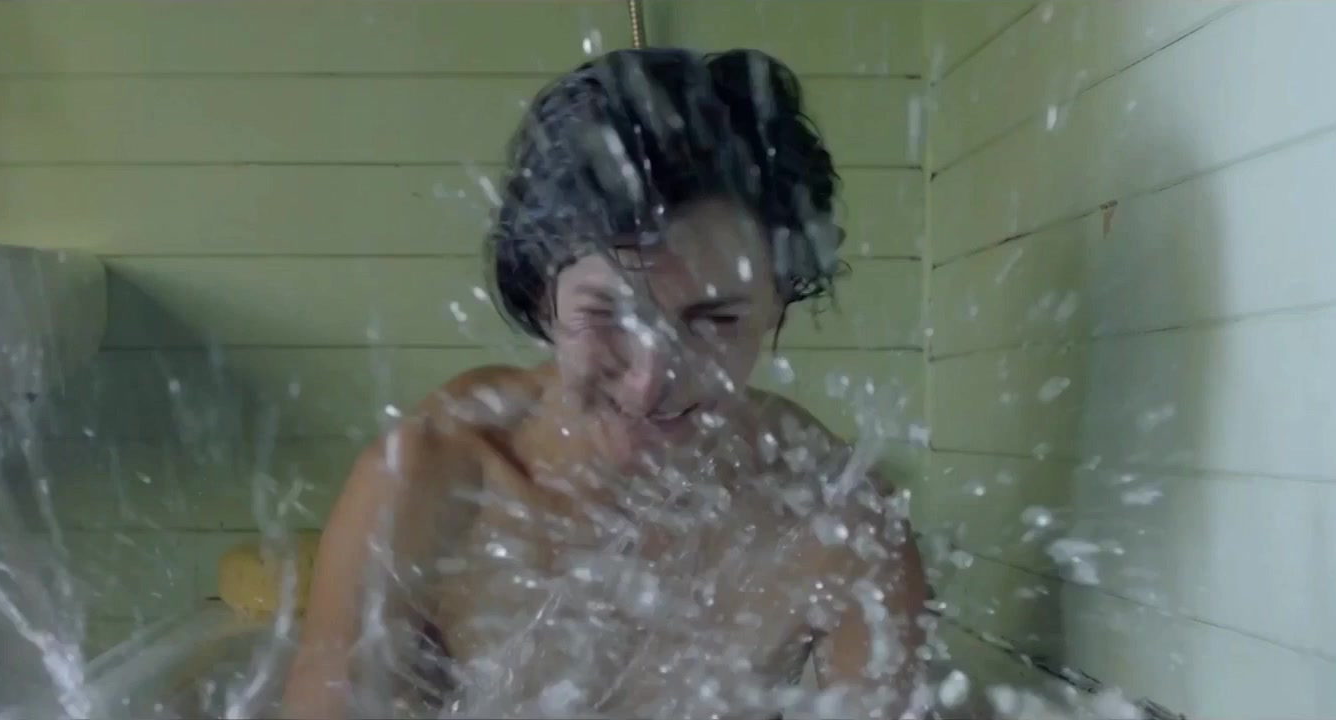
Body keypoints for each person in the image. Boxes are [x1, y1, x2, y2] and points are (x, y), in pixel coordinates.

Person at [282, 47, 931, 720]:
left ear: (778, 307)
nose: (650, 383)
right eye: (608, 315)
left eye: (715, 320)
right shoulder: (431, 485)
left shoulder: (839, 522)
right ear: (544, 299)